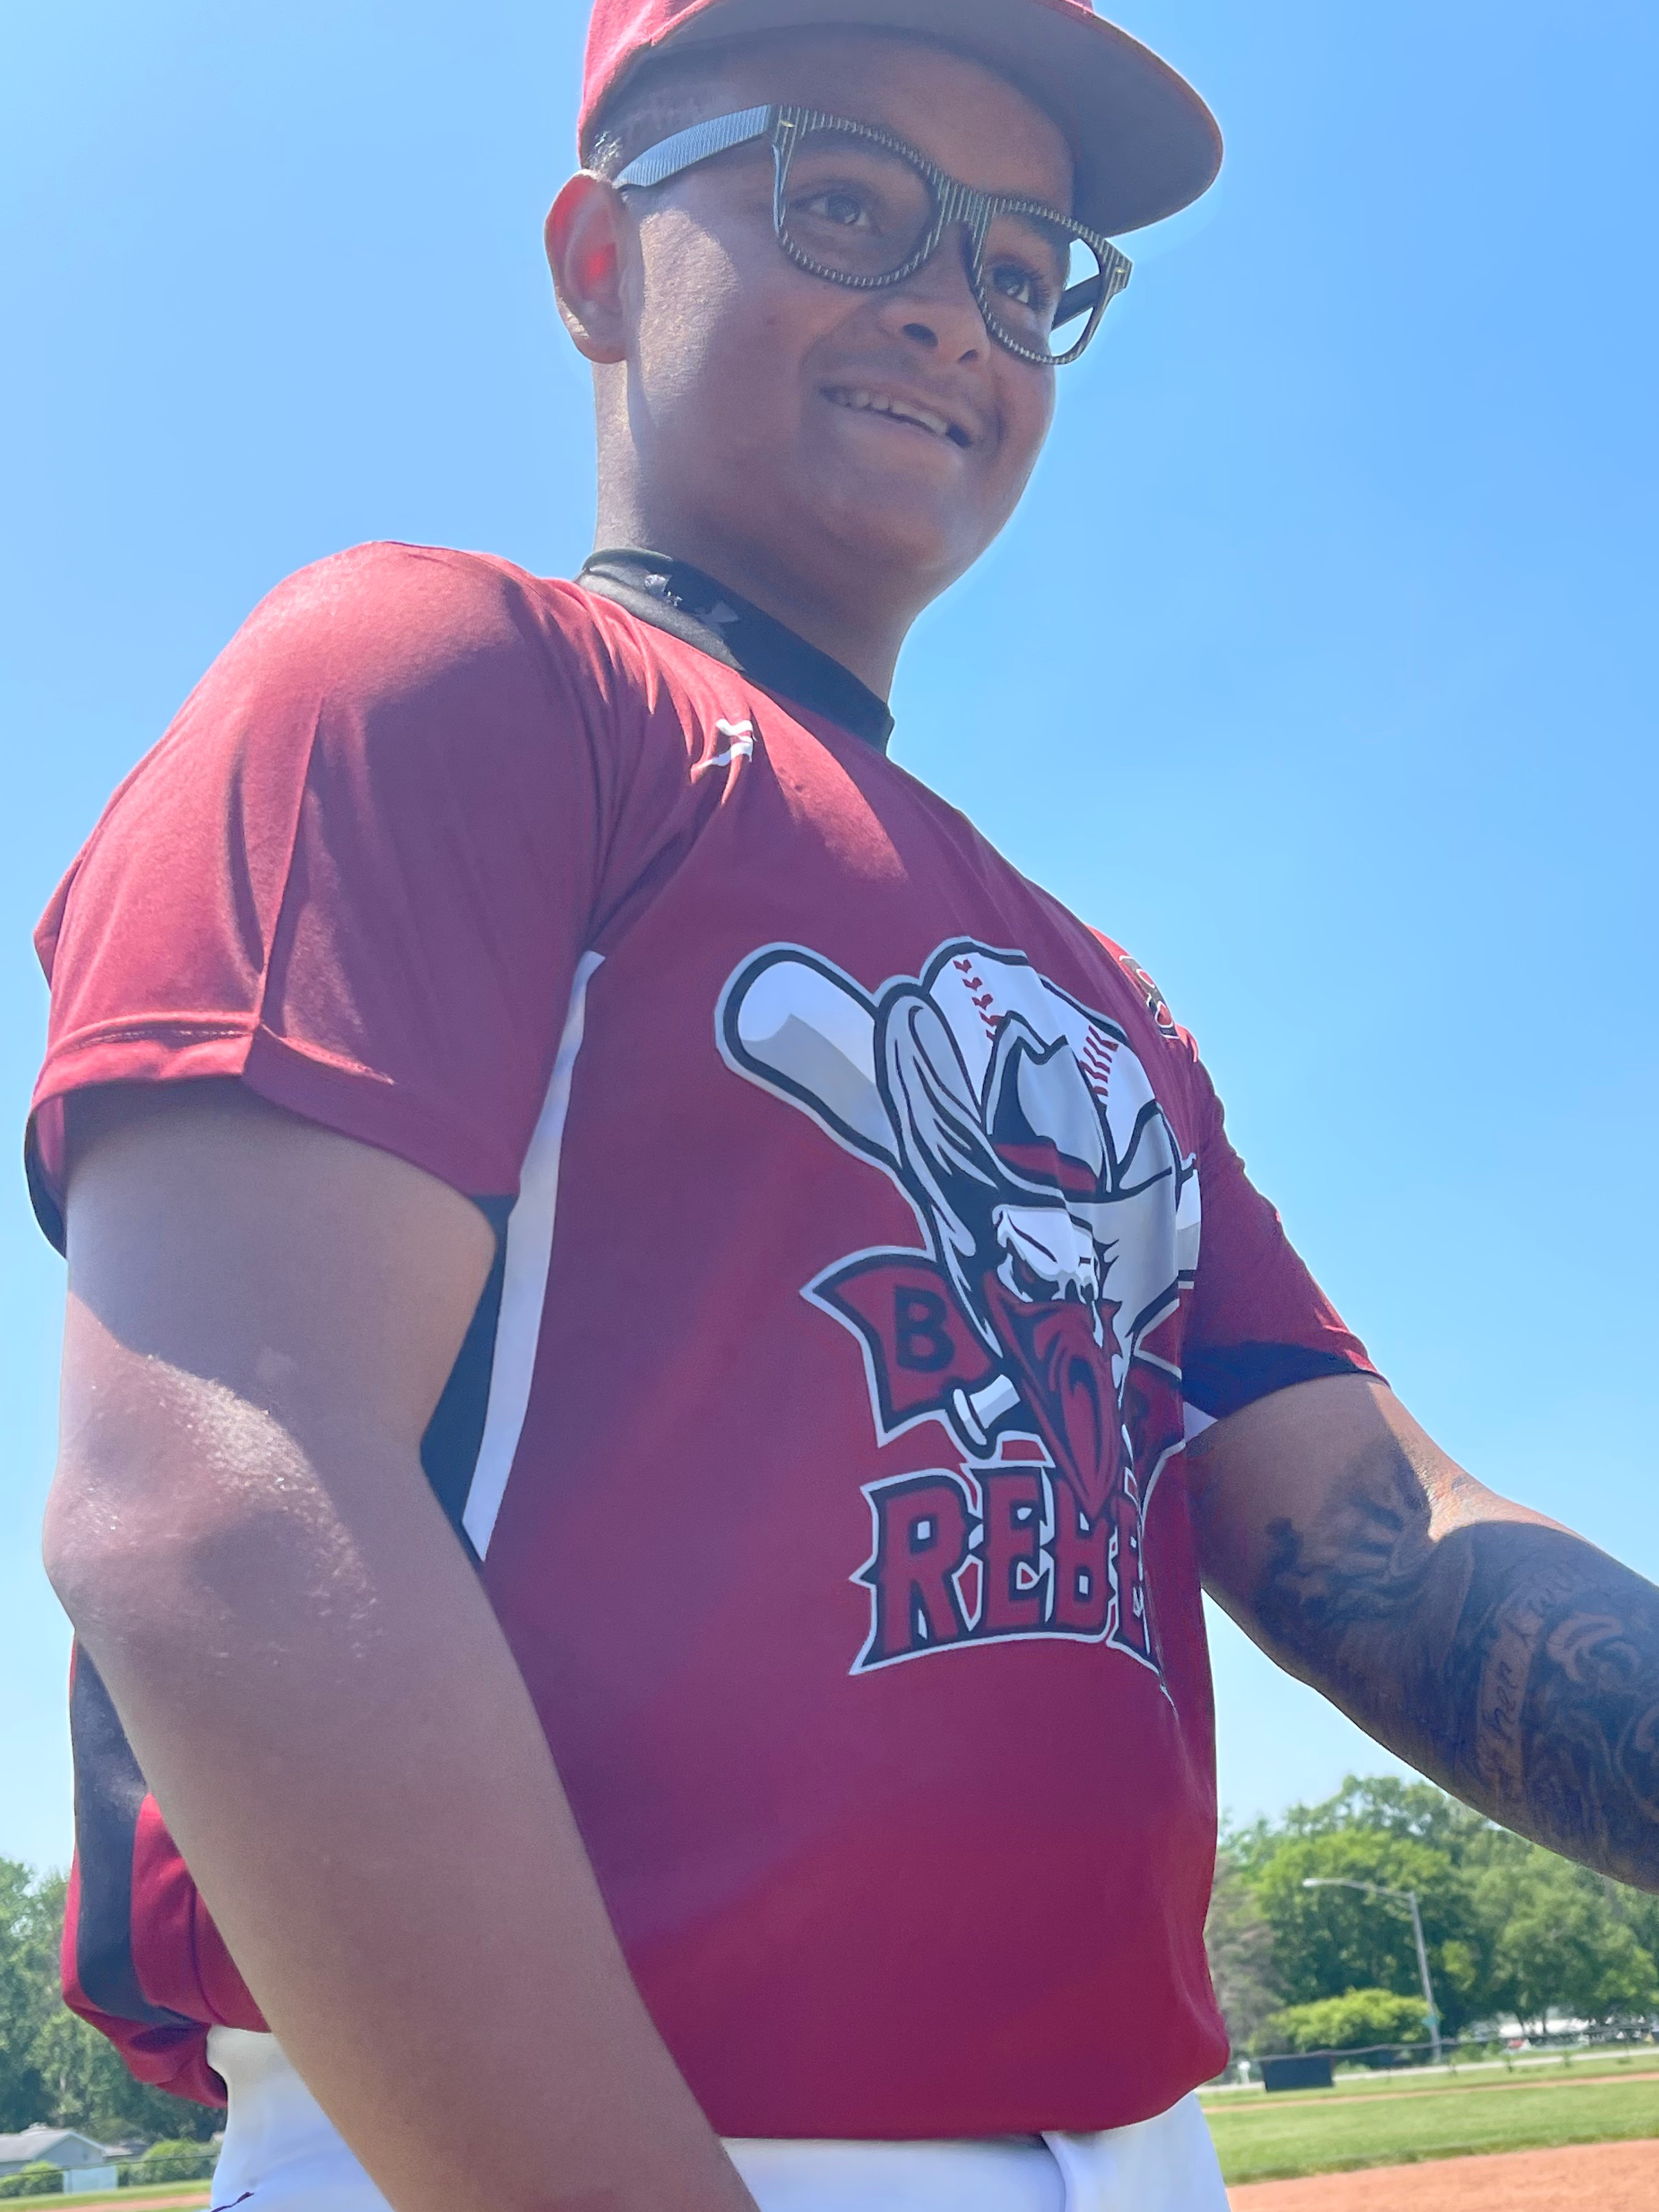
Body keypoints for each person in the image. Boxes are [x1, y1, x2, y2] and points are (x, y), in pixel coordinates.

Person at [27, 1, 1659, 2208]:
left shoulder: (1094, 991)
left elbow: (1379, 1541)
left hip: (1133, 2138)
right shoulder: (439, 674)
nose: (950, 308)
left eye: (1023, 265)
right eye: (849, 197)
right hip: (560, 2141)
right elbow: (216, 1502)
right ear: (598, 259)